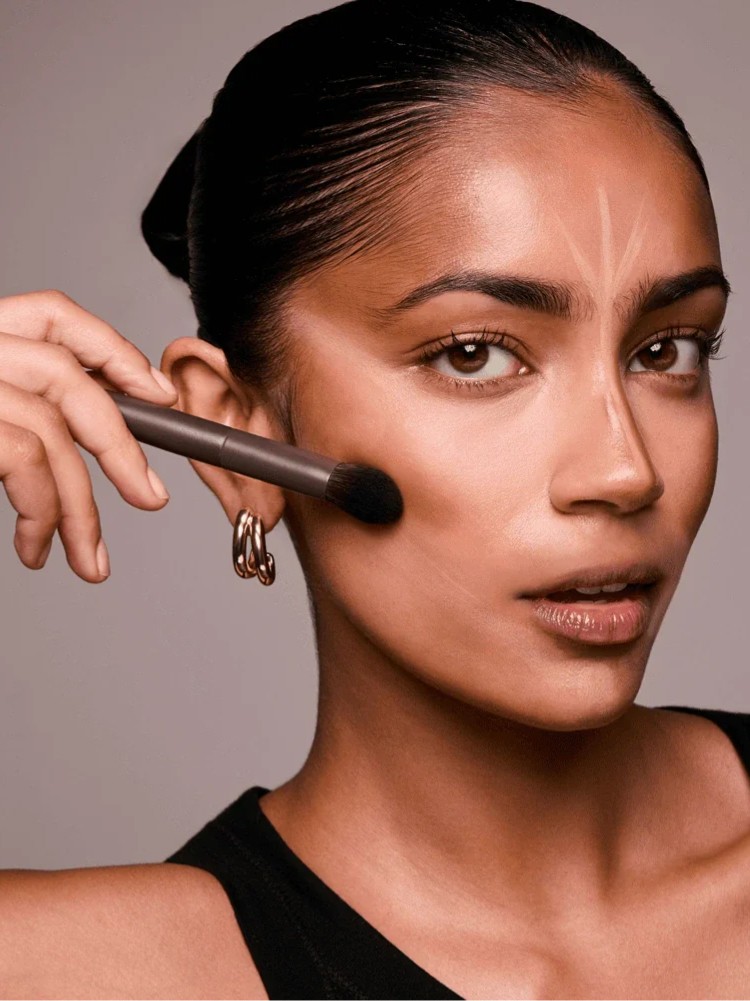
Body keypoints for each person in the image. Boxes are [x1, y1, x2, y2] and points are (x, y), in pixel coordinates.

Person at [0, 0, 745, 997]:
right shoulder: (94, 970)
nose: (625, 470)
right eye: (474, 353)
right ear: (240, 432)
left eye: (667, 350)